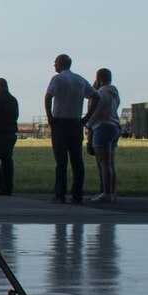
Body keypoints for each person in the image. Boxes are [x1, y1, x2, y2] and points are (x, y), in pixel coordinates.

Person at [45, 53, 91, 204]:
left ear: (60, 64)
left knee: (61, 161)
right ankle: (77, 194)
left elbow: (48, 96)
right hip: (76, 123)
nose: (54, 65)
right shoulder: (79, 79)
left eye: (55, 62)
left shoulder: (57, 79)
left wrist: (50, 116)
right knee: (77, 160)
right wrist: (86, 117)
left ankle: (60, 194)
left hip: (60, 123)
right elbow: (95, 96)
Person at [87, 68, 121, 203]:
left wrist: (88, 124)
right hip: (114, 126)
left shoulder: (101, 93)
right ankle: (112, 192)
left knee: (103, 163)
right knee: (111, 163)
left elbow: (96, 112)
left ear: (98, 78)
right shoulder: (114, 92)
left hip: (102, 127)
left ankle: (106, 192)